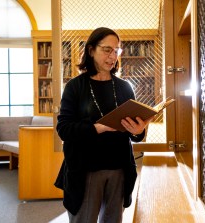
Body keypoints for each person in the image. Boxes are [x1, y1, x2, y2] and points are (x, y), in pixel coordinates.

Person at [54, 27, 152, 223]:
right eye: (107, 49)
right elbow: (63, 129)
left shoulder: (124, 87)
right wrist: (96, 128)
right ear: (91, 50)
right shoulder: (75, 87)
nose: (113, 56)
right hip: (86, 169)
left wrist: (139, 131)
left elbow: (134, 134)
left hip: (119, 168)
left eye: (116, 50)